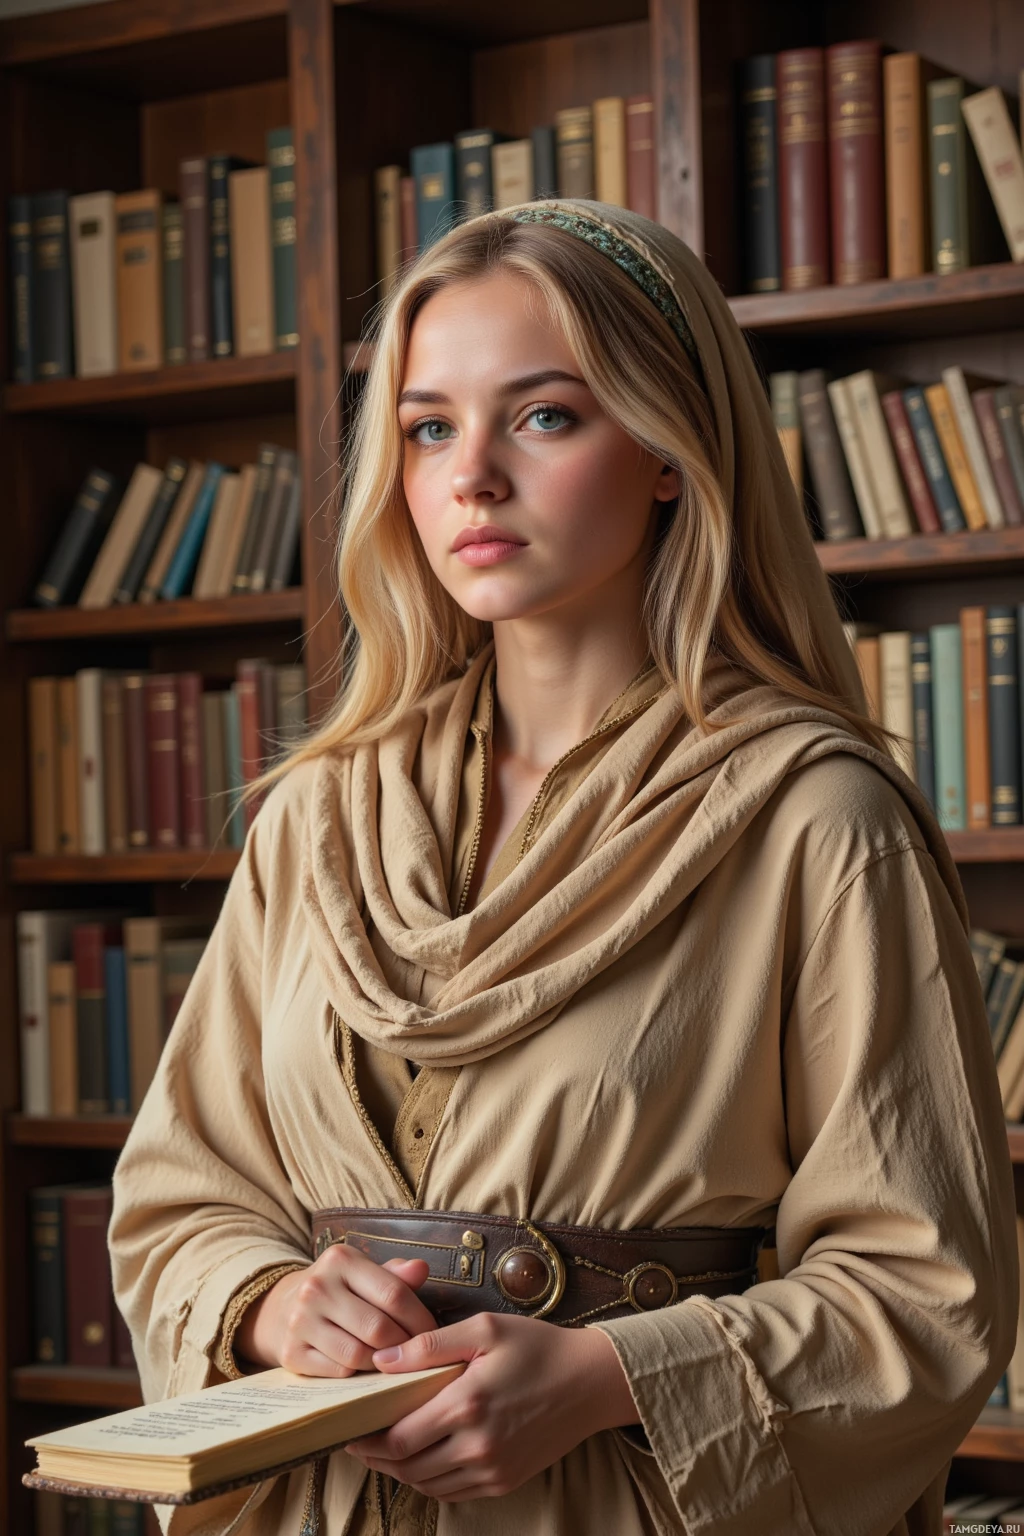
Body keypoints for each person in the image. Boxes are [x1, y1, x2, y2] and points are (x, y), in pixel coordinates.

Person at [109, 199, 1018, 1536]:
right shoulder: (317, 819)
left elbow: (924, 1291)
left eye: (543, 416)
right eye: (428, 428)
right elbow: (182, 1200)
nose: (471, 475)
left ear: (669, 448)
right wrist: (270, 1305)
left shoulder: (815, 818)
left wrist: (606, 1376)